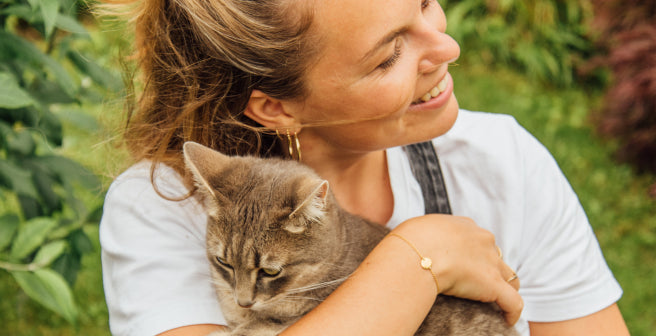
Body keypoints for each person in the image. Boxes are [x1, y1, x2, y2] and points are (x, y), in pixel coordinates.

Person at [99, 0, 630, 335]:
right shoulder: (165, 207)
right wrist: (418, 260)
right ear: (277, 107)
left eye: (424, 3)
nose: (448, 47)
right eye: (388, 56)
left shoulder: (504, 160)